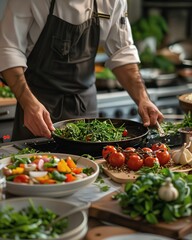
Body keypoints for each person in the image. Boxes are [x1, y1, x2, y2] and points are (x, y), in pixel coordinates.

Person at [0, 0, 164, 141]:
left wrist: (143, 99)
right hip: (38, 108)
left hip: (85, 108)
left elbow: (122, 51)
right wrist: (28, 103)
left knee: (89, 169)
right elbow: (8, 49)